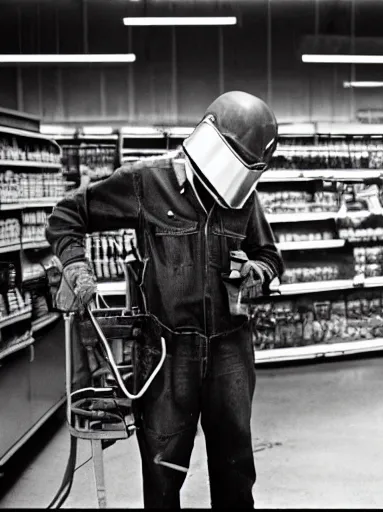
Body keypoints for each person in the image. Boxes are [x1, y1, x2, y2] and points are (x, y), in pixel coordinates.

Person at [46, 91, 285, 509]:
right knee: (163, 472)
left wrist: (259, 273)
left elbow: (270, 256)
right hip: (168, 353)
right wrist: (76, 266)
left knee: (236, 470)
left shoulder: (243, 196)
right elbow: (66, 216)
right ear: (213, 145)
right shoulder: (146, 182)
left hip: (230, 348)